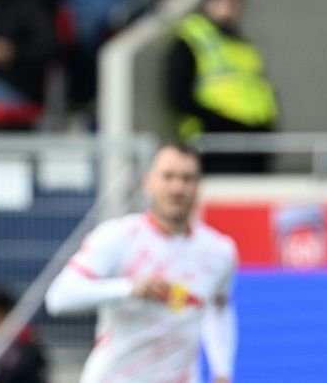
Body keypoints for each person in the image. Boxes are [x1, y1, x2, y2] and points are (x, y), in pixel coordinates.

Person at [45, 144, 238, 383]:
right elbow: (59, 298)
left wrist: (222, 370)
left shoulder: (219, 251)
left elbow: (219, 309)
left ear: (198, 186)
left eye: (187, 178)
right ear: (148, 183)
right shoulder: (117, 236)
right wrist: (129, 289)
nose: (177, 187)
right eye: (168, 177)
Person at [166, 0, 277, 172]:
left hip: (252, 147)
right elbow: (178, 96)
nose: (228, 7)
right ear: (209, 2)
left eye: (233, 2)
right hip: (214, 147)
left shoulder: (244, 46)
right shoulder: (193, 38)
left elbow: (261, 93)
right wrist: (222, 124)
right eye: (223, 0)